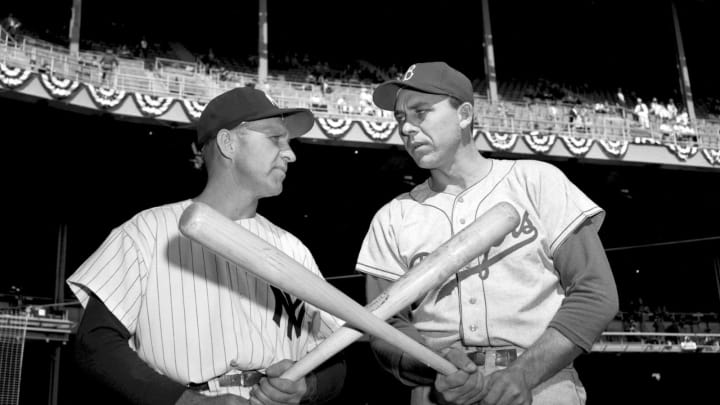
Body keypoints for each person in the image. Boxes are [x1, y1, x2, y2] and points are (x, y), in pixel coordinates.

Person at [355, 62, 618, 405]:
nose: (406, 128)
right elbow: (384, 327)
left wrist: (524, 373)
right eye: (401, 118)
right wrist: (432, 367)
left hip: (544, 384)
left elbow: (596, 293)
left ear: (464, 114)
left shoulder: (535, 181)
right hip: (441, 390)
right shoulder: (392, 217)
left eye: (421, 113)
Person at [67, 87, 346, 405]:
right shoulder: (147, 231)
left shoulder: (295, 250)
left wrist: (306, 386)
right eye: (274, 138)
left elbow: (337, 360)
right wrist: (189, 402)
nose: (290, 154)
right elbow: (95, 344)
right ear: (229, 143)